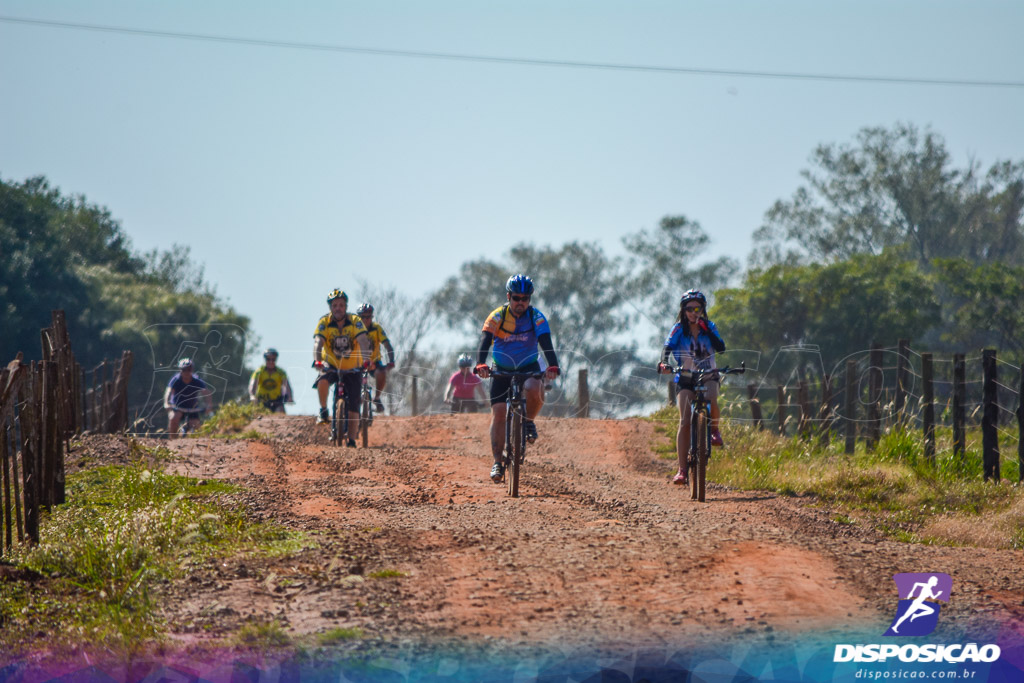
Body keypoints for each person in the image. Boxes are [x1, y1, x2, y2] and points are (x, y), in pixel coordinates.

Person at [475, 274, 560, 483]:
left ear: (529, 299)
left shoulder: (536, 316)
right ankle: (497, 461)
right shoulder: (497, 316)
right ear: (508, 296)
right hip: (502, 367)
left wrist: (553, 365)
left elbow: (545, 341)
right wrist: (480, 363)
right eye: (516, 298)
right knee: (499, 413)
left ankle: (528, 421)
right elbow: (485, 339)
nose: (520, 302)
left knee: (534, 387)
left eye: (524, 298)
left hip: (527, 365)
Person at [657, 289, 726, 485]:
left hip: (708, 374)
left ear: (703, 309)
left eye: (697, 308)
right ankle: (682, 470)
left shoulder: (709, 326)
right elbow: (667, 348)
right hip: (685, 377)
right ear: (683, 310)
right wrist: (664, 363)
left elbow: (721, 348)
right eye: (689, 309)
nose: (693, 312)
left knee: (712, 395)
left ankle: (714, 430)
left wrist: (708, 330)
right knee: (685, 421)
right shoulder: (678, 329)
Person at [312, 289, 371, 447]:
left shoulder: (354, 320)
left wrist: (366, 360)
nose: (338, 308)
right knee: (322, 381)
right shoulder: (324, 322)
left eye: (341, 305)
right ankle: (323, 410)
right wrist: (317, 360)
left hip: (353, 367)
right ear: (330, 307)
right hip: (331, 365)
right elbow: (318, 342)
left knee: (354, 403)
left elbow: (363, 341)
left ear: (346, 307)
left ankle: (351, 440)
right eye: (335, 305)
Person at [355, 303, 396, 413]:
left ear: (372, 317)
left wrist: (391, 360)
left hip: (374, 362)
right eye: (362, 317)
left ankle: (377, 398)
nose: (365, 320)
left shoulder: (376, 328)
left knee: (381, 373)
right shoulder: (353, 329)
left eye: (368, 317)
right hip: (357, 362)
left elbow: (387, 344)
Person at [164, 358, 212, 438]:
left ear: (192, 370)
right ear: (180, 370)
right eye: (184, 370)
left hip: (192, 408)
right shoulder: (176, 380)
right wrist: (166, 403)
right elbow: (168, 392)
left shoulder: (196, 380)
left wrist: (209, 405)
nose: (186, 372)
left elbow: (206, 392)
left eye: (189, 369)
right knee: (174, 418)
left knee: (196, 426)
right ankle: (172, 440)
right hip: (177, 407)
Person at [248, 347, 294, 413]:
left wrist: (290, 397)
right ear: (265, 360)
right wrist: (252, 396)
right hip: (262, 402)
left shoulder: (281, 373)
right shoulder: (259, 372)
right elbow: (252, 386)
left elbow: (287, 386)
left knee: (281, 414)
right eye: (268, 359)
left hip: (277, 402)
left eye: (273, 359)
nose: (271, 361)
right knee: (258, 416)